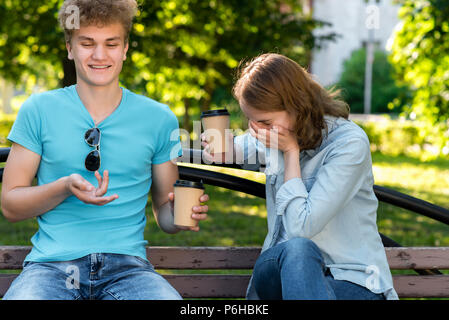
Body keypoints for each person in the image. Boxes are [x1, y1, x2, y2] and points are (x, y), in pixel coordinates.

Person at [1, 0, 209, 300]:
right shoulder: (38, 110)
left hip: (128, 270)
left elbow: (164, 213)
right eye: (87, 43)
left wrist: (180, 214)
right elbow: (10, 205)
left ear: (125, 48)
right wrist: (64, 187)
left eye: (111, 44)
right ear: (70, 48)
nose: (100, 55)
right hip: (52, 268)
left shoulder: (159, 118)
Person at [202, 53, 398, 300]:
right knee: (297, 251)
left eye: (264, 121)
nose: (257, 131)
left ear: (297, 106)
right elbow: (228, 150)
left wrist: (291, 153)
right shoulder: (273, 135)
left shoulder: (348, 144)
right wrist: (217, 147)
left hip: (352, 280)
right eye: (251, 122)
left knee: (300, 246)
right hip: (280, 273)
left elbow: (300, 227)